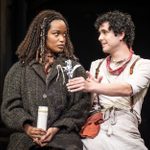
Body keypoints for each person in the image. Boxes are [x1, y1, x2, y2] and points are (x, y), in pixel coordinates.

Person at [1, 10, 91, 150]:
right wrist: (28, 128)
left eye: (64, 35)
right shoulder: (20, 70)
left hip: (63, 138)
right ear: (42, 35)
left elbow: (82, 105)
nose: (62, 39)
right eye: (56, 34)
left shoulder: (73, 69)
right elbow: (10, 107)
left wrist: (57, 127)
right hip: (25, 138)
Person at [67, 10, 150, 150]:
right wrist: (91, 94)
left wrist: (93, 87)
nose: (100, 38)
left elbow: (128, 88)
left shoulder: (144, 64)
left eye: (104, 32)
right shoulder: (96, 65)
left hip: (124, 127)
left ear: (121, 34)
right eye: (100, 33)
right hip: (96, 126)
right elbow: (89, 104)